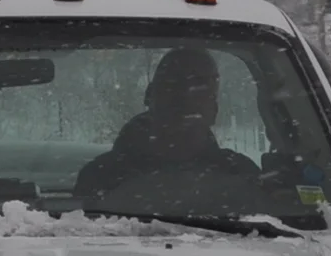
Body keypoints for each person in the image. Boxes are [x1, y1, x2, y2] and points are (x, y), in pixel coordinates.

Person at [73, 43, 264, 212]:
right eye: (174, 84)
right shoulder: (100, 178)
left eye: (199, 86)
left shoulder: (241, 175)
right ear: (149, 95)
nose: (186, 96)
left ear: (214, 108)